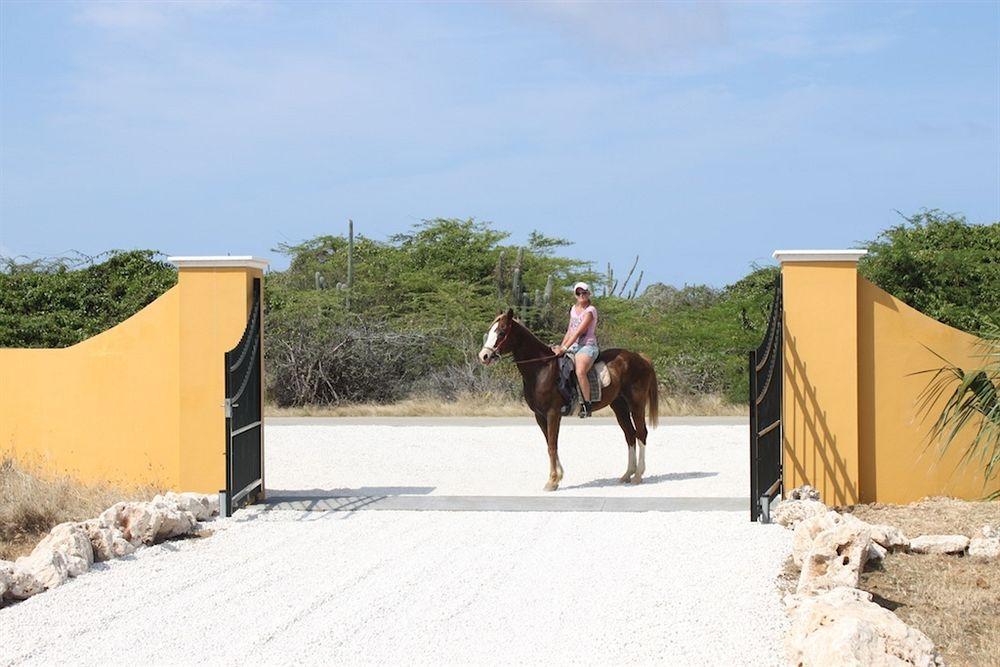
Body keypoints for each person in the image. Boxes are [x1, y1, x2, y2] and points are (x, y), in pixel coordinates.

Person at [551, 281, 599, 417]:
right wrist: (561, 346)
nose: (581, 295)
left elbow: (578, 332)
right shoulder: (573, 309)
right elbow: (569, 331)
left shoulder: (590, 311)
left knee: (580, 370)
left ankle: (587, 404)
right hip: (573, 345)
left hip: (587, 346)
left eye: (584, 292)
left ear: (589, 293)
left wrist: (565, 348)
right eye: (578, 293)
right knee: (560, 366)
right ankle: (567, 400)